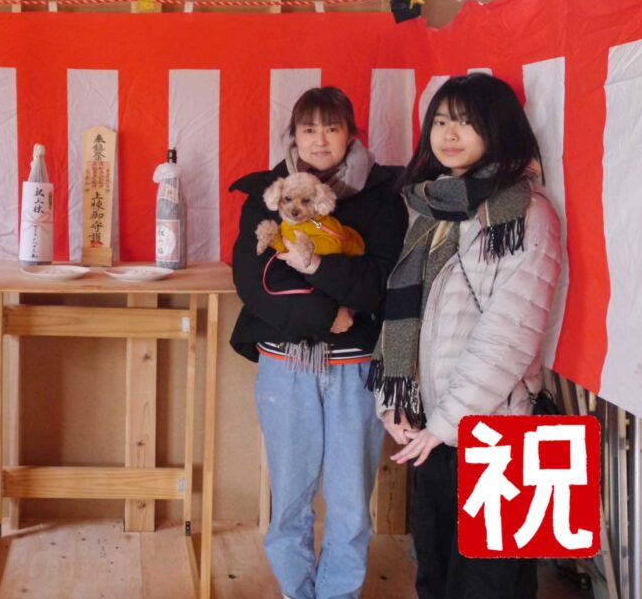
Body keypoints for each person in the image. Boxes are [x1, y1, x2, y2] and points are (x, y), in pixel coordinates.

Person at [368, 73, 562, 599]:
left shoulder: (524, 213)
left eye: (467, 122)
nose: (449, 134)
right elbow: (405, 315)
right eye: (440, 121)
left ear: (499, 128)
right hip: (433, 429)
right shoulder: (430, 211)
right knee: (436, 575)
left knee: (489, 585)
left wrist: (447, 422)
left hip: (498, 429)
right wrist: (394, 400)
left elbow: (510, 333)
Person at [229, 86, 408, 599]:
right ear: (294, 135)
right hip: (286, 363)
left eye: (332, 128)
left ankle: (338, 593)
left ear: (351, 133)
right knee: (289, 495)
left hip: (355, 367)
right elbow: (255, 279)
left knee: (351, 499)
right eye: (309, 129)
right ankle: (296, 590)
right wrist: (330, 313)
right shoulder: (268, 192)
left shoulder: (382, 194)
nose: (320, 139)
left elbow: (378, 282)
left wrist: (314, 268)